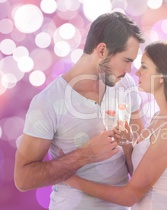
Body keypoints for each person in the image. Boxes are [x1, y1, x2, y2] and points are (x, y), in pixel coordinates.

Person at [14, 12, 146, 209]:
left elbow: (142, 163)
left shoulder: (125, 85)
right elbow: (23, 179)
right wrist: (86, 154)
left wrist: (128, 143)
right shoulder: (48, 102)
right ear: (102, 50)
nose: (130, 70)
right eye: (126, 60)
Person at [64, 41, 167, 209]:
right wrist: (126, 144)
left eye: (144, 67)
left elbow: (129, 197)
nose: (137, 72)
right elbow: (143, 178)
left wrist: (70, 179)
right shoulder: (159, 118)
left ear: (163, 76)